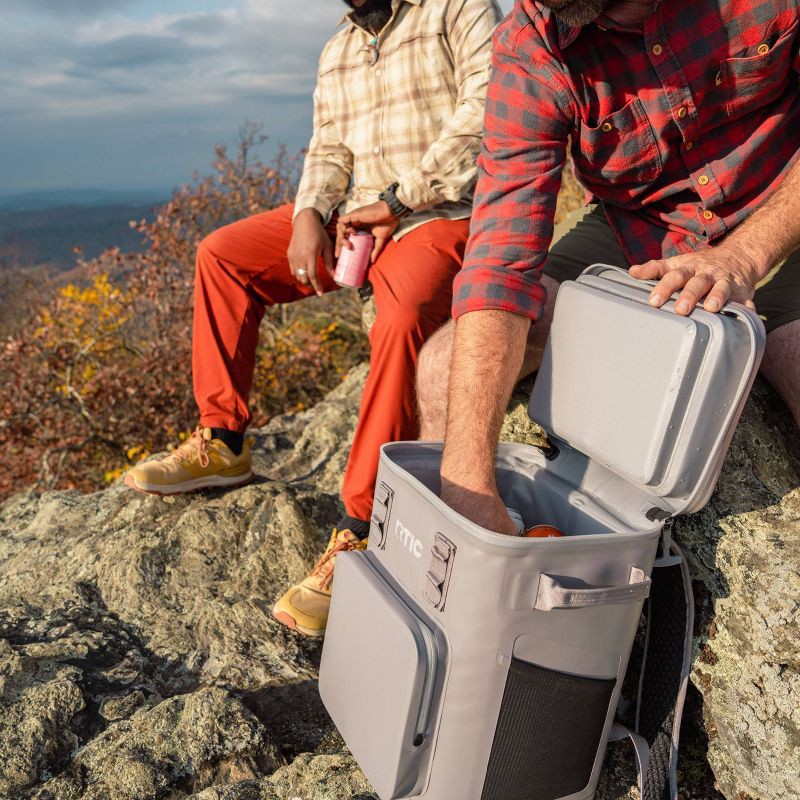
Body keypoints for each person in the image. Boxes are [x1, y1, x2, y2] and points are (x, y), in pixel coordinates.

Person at [125, 0, 502, 636]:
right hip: (354, 219)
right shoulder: (339, 48)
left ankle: (362, 527)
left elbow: (486, 119)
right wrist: (308, 212)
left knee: (403, 313)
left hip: (440, 215)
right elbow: (329, 146)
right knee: (222, 256)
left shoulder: (458, 10)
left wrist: (394, 202)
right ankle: (223, 442)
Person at [416, 0, 800, 535]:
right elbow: (500, 262)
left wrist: (743, 254)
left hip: (786, 203)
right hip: (640, 223)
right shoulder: (530, 43)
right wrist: (466, 484)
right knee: (442, 368)